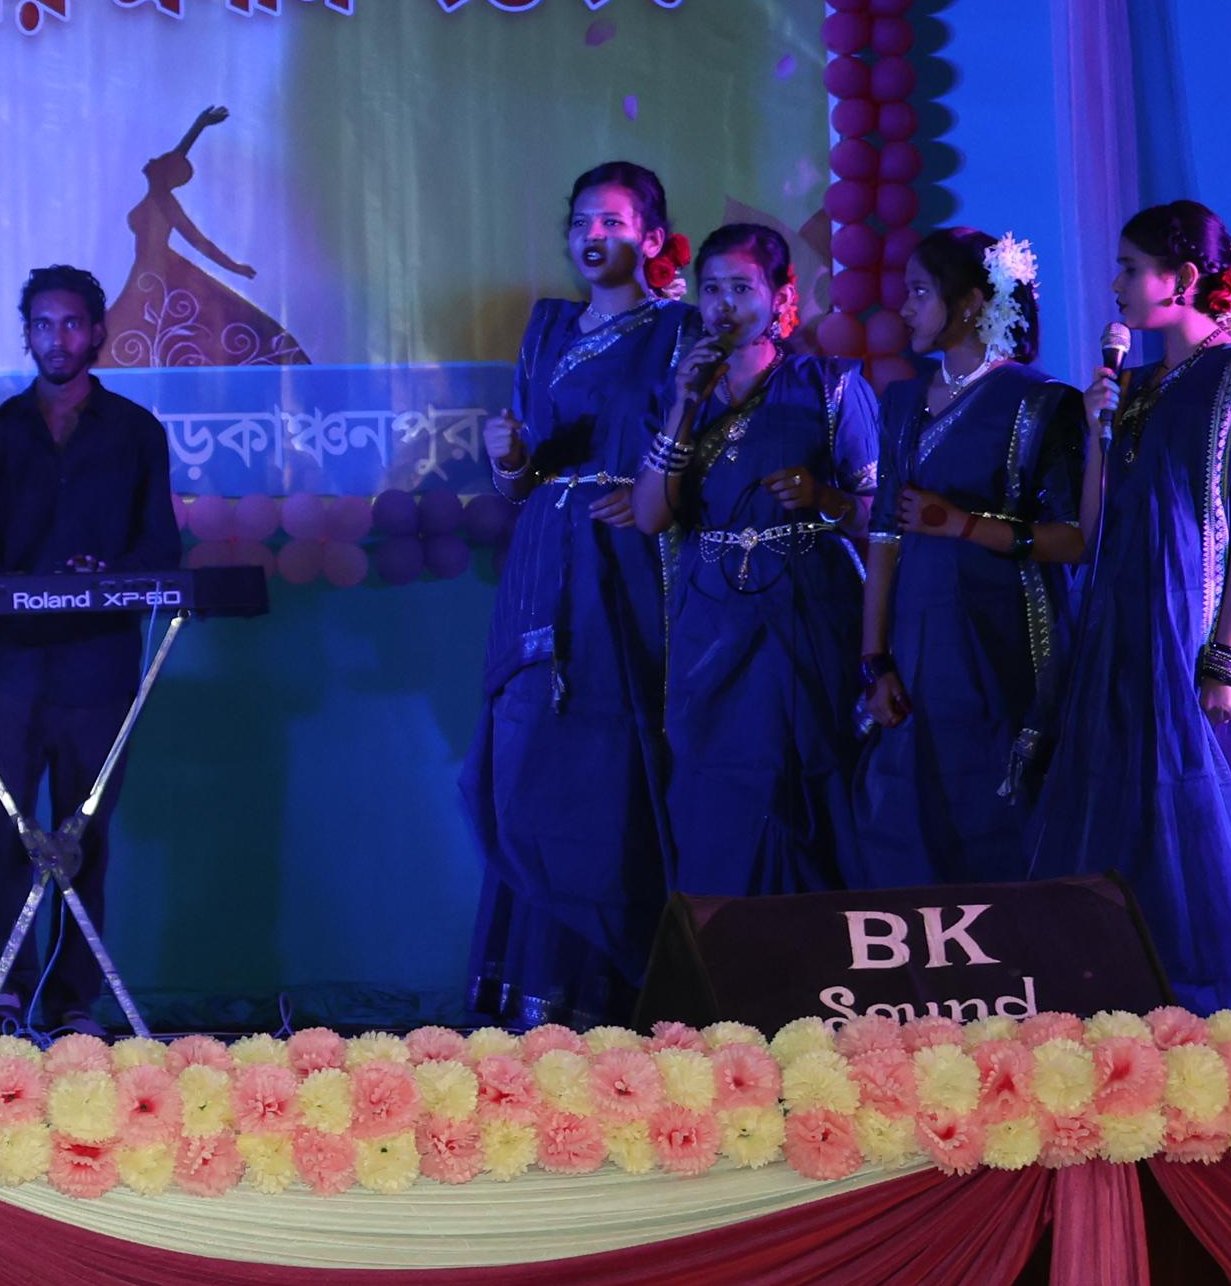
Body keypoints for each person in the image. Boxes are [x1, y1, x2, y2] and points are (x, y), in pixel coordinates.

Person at [1025, 202, 1231, 1011]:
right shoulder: (1140, 386)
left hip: (1206, 623)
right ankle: (1127, 1009)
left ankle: (1221, 1022)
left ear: (1181, 279)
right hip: (1130, 621)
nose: (1114, 285)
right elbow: (1093, 526)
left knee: (1207, 820)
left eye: (1128, 268)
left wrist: (1226, 655)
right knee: (1131, 817)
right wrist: (1096, 429)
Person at [465, 165, 693, 1025]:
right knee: (528, 754)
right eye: (581, 222)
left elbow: (698, 448)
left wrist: (648, 497)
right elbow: (519, 481)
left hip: (625, 563)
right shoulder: (549, 328)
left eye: (613, 222)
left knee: (612, 761)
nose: (593, 236)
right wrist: (509, 458)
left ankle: (616, 989)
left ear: (650, 237)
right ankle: (533, 992)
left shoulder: (677, 329)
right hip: (543, 563)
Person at [0, 265, 186, 1033]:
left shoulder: (136, 432)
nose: (57, 338)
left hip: (100, 664)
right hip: (15, 663)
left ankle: (73, 999)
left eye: (71, 323)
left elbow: (160, 547)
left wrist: (103, 577)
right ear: (28, 335)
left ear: (98, 331)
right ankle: (5, 991)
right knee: (7, 831)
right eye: (43, 325)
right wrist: (22, 584)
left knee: (86, 835)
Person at [635, 223, 879, 899]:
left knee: (808, 783)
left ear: (780, 298)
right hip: (711, 622)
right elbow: (651, 516)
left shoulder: (828, 386)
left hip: (807, 613)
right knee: (718, 791)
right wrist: (685, 405)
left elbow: (880, 517)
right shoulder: (676, 391)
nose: (724, 304)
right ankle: (727, 952)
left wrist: (825, 498)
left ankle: (820, 950)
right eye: (712, 289)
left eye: (742, 288)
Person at [847, 230, 1084, 886]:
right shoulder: (902, 402)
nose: (904, 308)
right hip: (917, 639)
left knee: (1000, 810)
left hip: (1003, 637)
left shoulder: (1041, 403)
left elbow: (1075, 538)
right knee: (910, 811)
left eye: (919, 292)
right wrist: (875, 660)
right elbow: (885, 537)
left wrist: (965, 526)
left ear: (972, 302)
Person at [103, 106, 309, 367]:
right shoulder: (155, 195)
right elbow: (177, 155)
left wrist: (234, 267)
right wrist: (199, 125)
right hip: (146, 270)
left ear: (165, 173)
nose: (153, 160)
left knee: (151, 325)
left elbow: (198, 241)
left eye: (160, 160)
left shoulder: (165, 202)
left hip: (159, 271)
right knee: (137, 327)